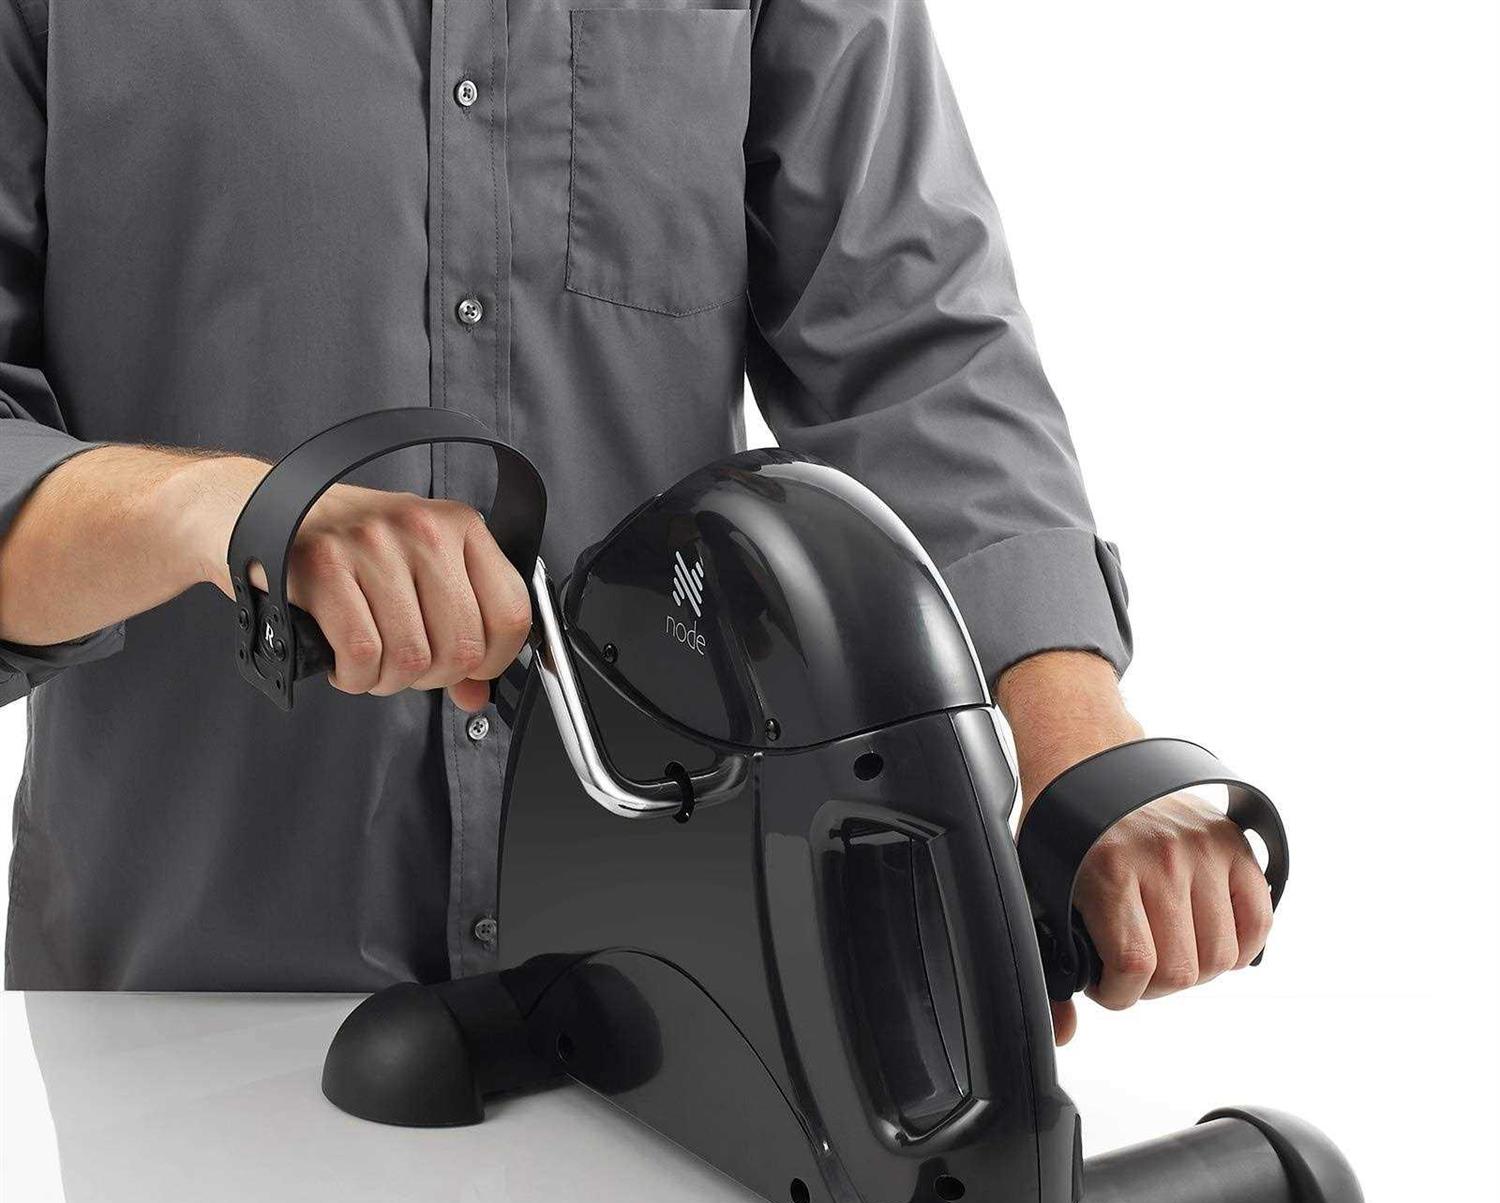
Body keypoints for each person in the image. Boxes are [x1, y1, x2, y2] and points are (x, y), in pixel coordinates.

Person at [0, 0, 1270, 1039]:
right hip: (182, 1032)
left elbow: (909, 341)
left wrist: (1075, 748)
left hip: (676, 1026)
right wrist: (217, 509)